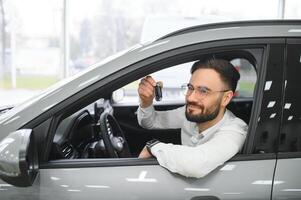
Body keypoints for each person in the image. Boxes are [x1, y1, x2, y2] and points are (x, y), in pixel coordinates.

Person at [137, 58, 248, 178]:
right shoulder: (192, 113)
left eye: (203, 91)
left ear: (226, 98)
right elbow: (150, 122)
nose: (191, 98)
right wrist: (146, 102)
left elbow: (196, 165)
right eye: (190, 88)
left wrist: (153, 147)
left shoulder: (236, 130)